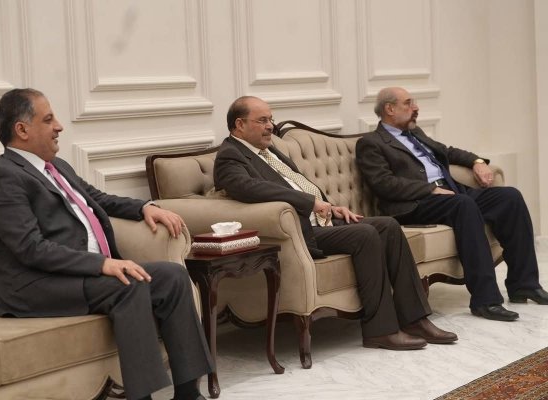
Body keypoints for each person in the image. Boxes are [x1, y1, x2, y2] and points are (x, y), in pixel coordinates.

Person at [0, 88, 212, 400]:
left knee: (174, 276)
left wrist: (144, 207)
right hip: (36, 284)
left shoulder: (56, 166)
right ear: (22, 129)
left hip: (77, 275)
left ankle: (189, 394)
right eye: (48, 120)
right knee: (129, 284)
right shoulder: (4, 179)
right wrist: (102, 264)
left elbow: (98, 199)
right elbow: (31, 248)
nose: (59, 126)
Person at [213, 95, 458, 351]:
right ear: (239, 124)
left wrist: (331, 206)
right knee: (365, 235)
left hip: (322, 220)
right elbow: (248, 188)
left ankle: (416, 320)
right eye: (262, 120)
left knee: (388, 227)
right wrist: (310, 203)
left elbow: (297, 183)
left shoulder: (268, 150)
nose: (270, 126)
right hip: (301, 232)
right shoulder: (230, 156)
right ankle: (381, 330)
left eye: (271, 119)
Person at [355, 86, 548, 322]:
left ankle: (524, 284)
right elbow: (383, 183)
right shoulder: (371, 143)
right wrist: (429, 189)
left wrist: (477, 162)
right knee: (463, 205)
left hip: (451, 194)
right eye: (408, 103)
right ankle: (485, 300)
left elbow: (448, 152)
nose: (416, 108)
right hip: (416, 203)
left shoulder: (415, 133)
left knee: (510, 197)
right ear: (390, 109)